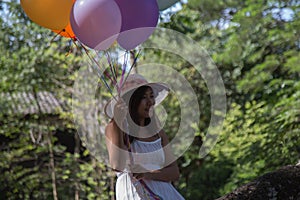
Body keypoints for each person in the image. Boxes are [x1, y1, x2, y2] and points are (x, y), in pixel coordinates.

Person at [104, 74, 185, 200]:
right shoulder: (114, 127)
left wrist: (148, 174)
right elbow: (117, 165)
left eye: (151, 96)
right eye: (144, 97)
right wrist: (119, 123)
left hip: (164, 194)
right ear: (132, 101)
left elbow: (174, 173)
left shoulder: (159, 133)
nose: (150, 102)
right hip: (133, 192)